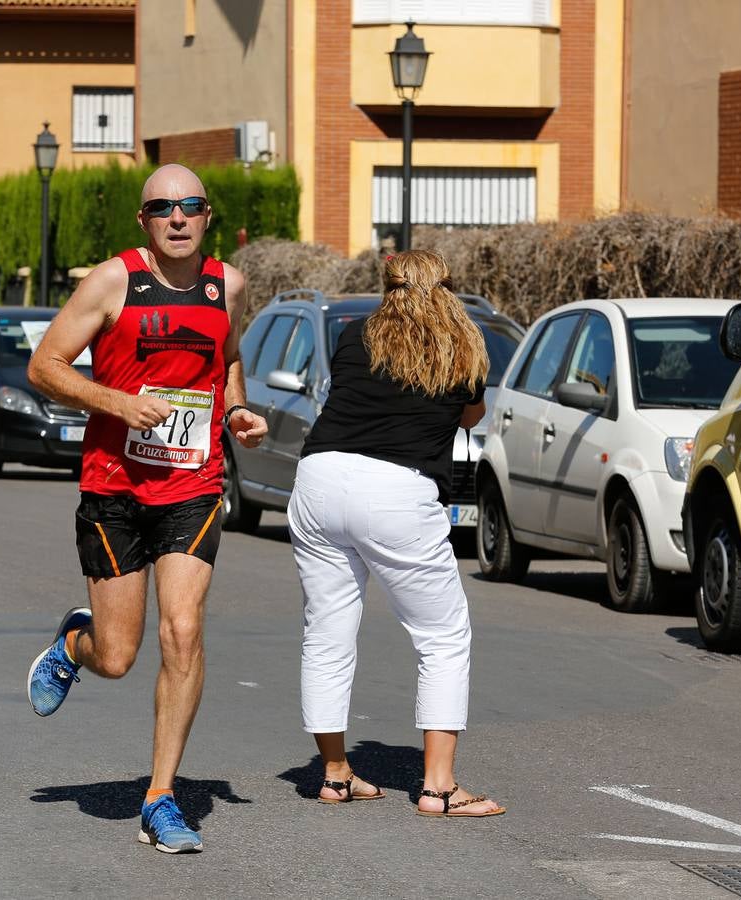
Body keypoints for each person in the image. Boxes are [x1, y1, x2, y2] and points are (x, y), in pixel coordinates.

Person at [25, 164, 268, 854]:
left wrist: (240, 410)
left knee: (183, 631)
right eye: (163, 207)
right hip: (115, 490)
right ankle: (77, 643)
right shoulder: (113, 281)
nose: (178, 217)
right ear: (145, 221)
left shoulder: (230, 286)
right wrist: (119, 402)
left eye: (191, 205)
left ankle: (161, 797)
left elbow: (226, 363)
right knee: (119, 655)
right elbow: (45, 365)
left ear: (208, 214)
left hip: (193, 485)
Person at [288, 249, 504, 817]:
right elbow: (471, 415)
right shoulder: (465, 347)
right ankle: (438, 788)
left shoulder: (354, 335)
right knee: (442, 636)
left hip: (320, 476)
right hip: (397, 491)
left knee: (328, 629)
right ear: (447, 286)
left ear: (387, 287)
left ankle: (335, 773)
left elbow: (357, 396)